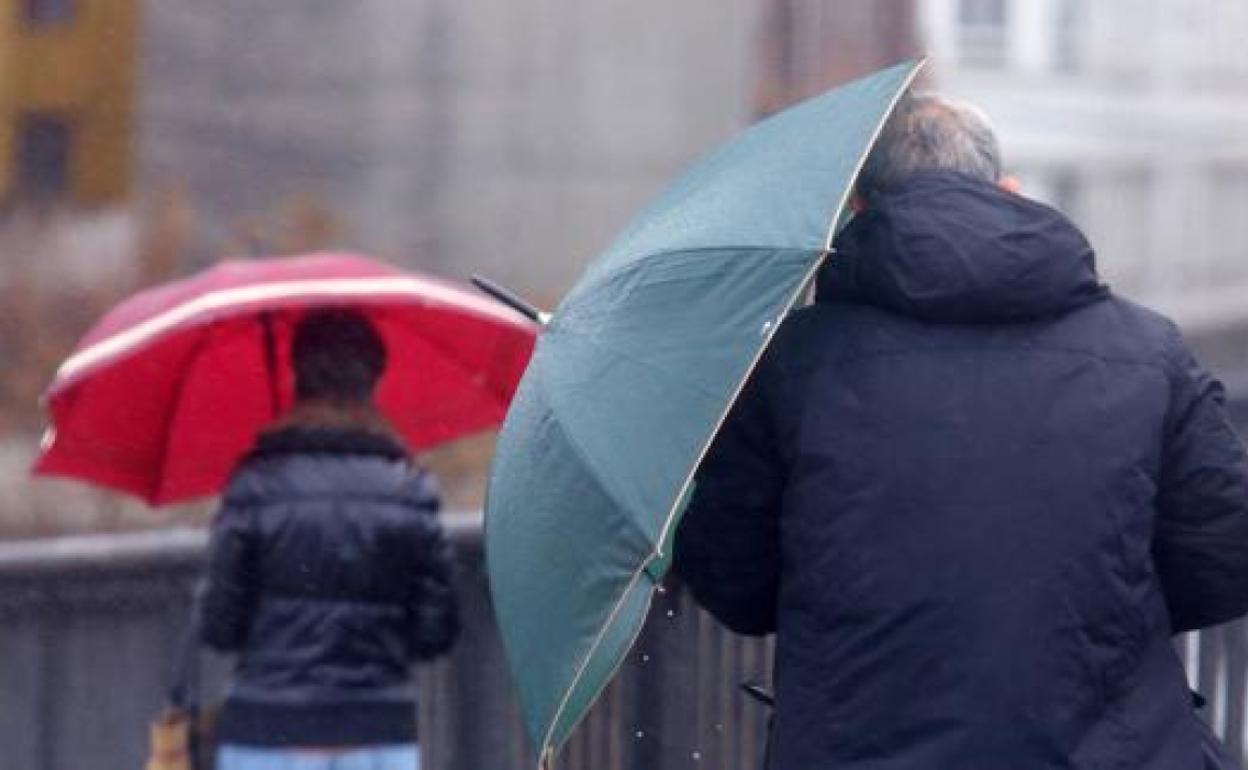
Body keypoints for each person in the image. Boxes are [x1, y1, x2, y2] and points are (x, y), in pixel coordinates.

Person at [674, 93, 1248, 769]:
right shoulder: (1150, 353)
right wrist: (1101, 607)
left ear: (858, 208)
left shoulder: (792, 363)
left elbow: (731, 576)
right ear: (1010, 192)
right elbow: (1227, 552)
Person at [198, 308, 459, 770]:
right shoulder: (408, 489)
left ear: (298, 376)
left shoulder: (256, 484)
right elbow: (435, 633)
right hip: (376, 728)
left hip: (267, 726)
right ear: (374, 380)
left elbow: (220, 626)